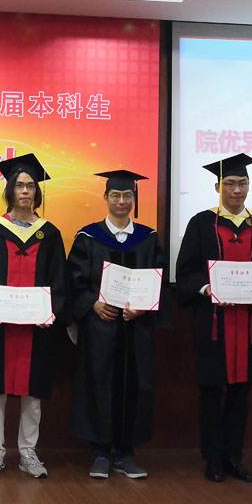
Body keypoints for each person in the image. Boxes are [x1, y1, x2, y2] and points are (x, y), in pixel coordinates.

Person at [0, 153, 67, 479]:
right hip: (0, 325)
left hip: (36, 327)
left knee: (33, 393)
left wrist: (52, 310)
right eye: (19, 185)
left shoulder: (49, 234)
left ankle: (27, 452)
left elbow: (59, 280)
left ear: (37, 192)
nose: (25, 191)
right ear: (10, 190)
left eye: (31, 186)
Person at [175, 153, 252, 483]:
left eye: (242, 183)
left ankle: (234, 457)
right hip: (213, 322)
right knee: (211, 393)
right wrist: (206, 288)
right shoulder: (201, 222)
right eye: (230, 183)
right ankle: (213, 458)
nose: (237, 190)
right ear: (218, 187)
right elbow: (185, 270)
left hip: (249, 323)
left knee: (241, 393)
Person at [67, 170, 170, 479]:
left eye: (127, 196)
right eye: (116, 195)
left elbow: (159, 280)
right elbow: (74, 281)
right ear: (106, 198)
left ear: (134, 199)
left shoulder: (148, 238)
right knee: (98, 384)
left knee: (135, 387)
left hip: (136, 329)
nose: (122, 201)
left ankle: (125, 454)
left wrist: (143, 307)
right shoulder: (88, 238)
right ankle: (99, 454)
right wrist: (92, 303)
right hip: (100, 328)